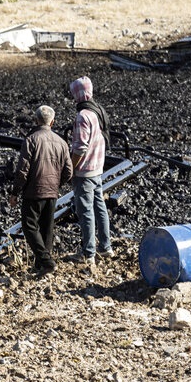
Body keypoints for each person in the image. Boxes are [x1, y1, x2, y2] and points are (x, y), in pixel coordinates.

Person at [10, 105, 73, 277]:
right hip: (52, 191)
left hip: (33, 191)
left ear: (36, 120)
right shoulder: (62, 142)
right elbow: (69, 171)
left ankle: (46, 262)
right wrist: (57, 184)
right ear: (52, 121)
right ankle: (42, 266)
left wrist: (15, 192)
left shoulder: (30, 140)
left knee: (29, 225)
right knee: (47, 228)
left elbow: (22, 170)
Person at [68, 76, 113, 266]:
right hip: (97, 167)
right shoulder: (98, 111)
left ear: (77, 94)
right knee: (99, 206)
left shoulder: (82, 116)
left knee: (85, 211)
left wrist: (70, 167)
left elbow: (79, 147)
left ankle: (88, 253)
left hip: (85, 171)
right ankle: (105, 247)